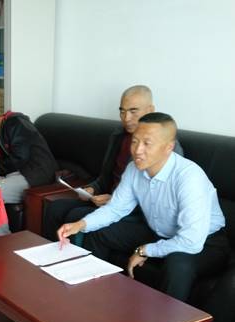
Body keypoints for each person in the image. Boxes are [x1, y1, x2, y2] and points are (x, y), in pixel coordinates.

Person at [57, 113, 230, 322]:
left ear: (168, 147)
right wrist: (80, 224)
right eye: (135, 141)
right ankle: (97, 307)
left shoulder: (189, 177)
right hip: (161, 232)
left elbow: (191, 241)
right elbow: (116, 209)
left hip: (206, 243)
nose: (137, 150)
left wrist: (146, 250)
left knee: (178, 264)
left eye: (147, 143)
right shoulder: (134, 169)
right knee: (99, 233)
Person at [41, 85, 187, 240]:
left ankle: (71, 254)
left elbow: (158, 200)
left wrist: (113, 199)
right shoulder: (118, 135)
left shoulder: (165, 148)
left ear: (150, 110)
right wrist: (92, 189)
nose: (126, 118)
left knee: (76, 215)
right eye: (122, 111)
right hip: (106, 200)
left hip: (134, 210)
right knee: (55, 208)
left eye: (133, 111)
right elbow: (106, 177)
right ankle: (48, 252)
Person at [0, 110, 57, 239]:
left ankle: (4, 240)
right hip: (16, 173)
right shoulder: (2, 130)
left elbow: (20, 157)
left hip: (35, 174)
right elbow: (12, 155)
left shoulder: (16, 124)